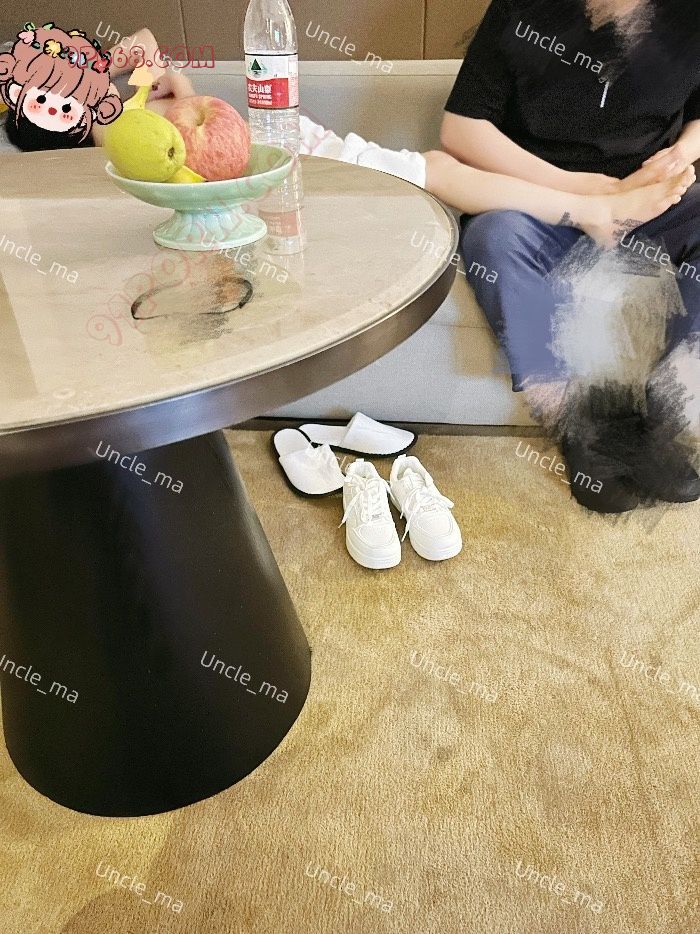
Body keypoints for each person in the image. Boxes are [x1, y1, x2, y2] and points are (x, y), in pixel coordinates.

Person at [441, 0, 700, 511]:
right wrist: (585, 192)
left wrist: (680, 153)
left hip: (649, 201)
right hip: (543, 203)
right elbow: (461, 129)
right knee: (493, 238)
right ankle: (578, 426)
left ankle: (660, 418)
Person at [0, 24, 194, 153]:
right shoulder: (120, 137)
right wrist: (181, 87)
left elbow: (143, 42)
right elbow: (194, 137)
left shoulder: (130, 106)